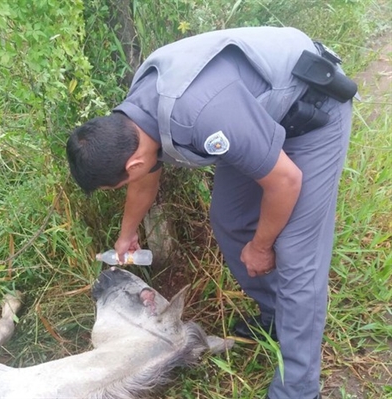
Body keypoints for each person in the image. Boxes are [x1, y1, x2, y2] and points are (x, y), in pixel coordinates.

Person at [66, 26, 356, 399]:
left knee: (298, 253)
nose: (122, 187)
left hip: (312, 109)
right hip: (249, 119)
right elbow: (144, 175)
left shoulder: (199, 116)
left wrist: (263, 246)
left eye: (115, 186)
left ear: (131, 163)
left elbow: (285, 182)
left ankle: (299, 387)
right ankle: (277, 315)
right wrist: (127, 233)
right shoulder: (131, 122)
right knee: (230, 220)